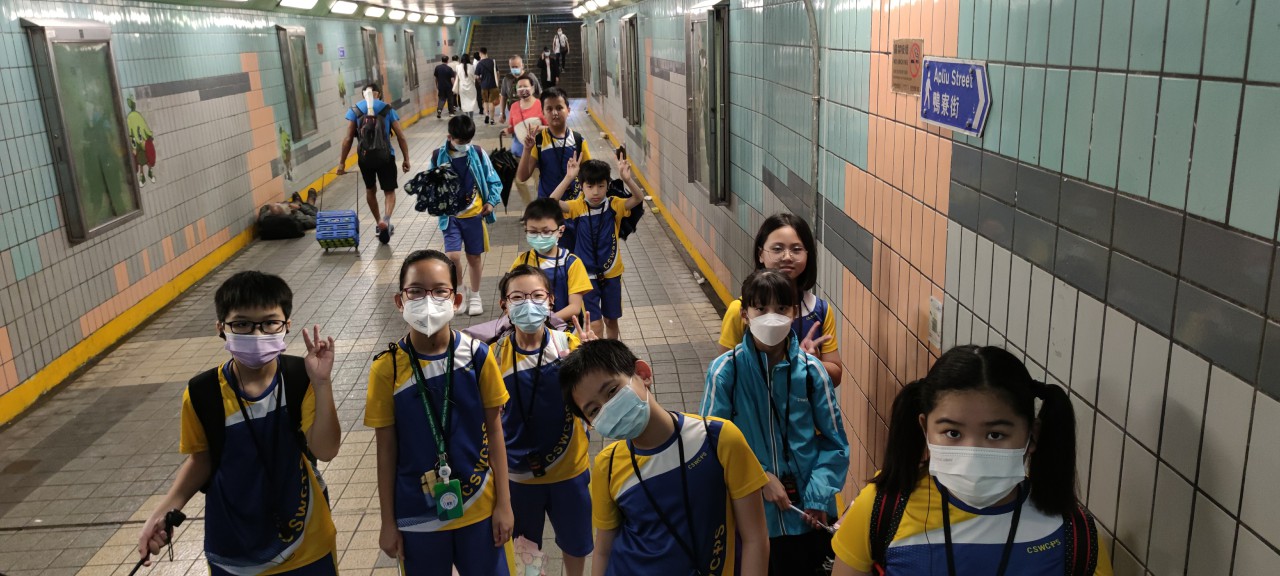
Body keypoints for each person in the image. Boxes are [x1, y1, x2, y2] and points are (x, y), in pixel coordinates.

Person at [830, 346, 1113, 576]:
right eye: (953, 433)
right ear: (925, 428)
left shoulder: (1073, 533)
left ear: (1032, 435)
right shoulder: (882, 508)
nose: (972, 453)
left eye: (995, 434)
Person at [135, 271, 341, 574]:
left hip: (307, 545)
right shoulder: (203, 393)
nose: (257, 335)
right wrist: (165, 510)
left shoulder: (301, 378)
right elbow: (201, 460)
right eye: (242, 324)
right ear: (221, 328)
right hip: (234, 554)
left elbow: (326, 450)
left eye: (269, 323)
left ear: (286, 325)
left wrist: (322, 384)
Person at [559, 339, 771, 576]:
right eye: (594, 410)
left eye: (612, 391)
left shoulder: (717, 439)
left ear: (642, 374)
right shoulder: (606, 465)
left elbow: (755, 538)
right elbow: (603, 551)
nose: (607, 407)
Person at [365, 250, 515, 575]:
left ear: (456, 300)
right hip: (417, 515)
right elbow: (386, 450)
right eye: (416, 291)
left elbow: (495, 432)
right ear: (400, 301)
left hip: (479, 507)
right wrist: (388, 522)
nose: (428, 300)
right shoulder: (386, 369)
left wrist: (504, 504)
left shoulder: (478, 356)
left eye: (439, 291)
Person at [702, 269, 849, 575]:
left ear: (794, 312)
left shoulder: (812, 372)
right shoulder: (724, 372)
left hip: (808, 516)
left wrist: (819, 496)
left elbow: (835, 443)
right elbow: (711, 444)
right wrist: (759, 477)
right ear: (745, 314)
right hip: (750, 521)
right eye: (761, 308)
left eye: (781, 308)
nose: (771, 317)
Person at [492, 266, 596, 576]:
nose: (528, 304)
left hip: (570, 471)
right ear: (504, 305)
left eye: (537, 296)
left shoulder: (570, 346)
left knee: (575, 543)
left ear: (550, 300)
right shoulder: (493, 356)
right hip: (519, 477)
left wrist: (594, 359)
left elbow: (597, 402)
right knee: (525, 551)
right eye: (518, 297)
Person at [718, 214, 844, 386]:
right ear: (761, 254)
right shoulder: (740, 310)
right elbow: (724, 375)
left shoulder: (819, 310)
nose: (787, 257)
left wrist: (811, 363)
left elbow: (835, 377)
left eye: (796, 249)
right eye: (777, 249)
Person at [548, 153, 642, 340]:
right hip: (585, 276)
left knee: (611, 321)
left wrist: (627, 179)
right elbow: (551, 202)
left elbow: (638, 198)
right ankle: (598, 355)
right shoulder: (578, 207)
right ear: (582, 187)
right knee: (595, 323)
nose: (596, 192)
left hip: (612, 273)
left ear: (608, 185)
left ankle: (612, 353)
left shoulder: (614, 205)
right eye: (590, 186)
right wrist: (569, 177)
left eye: (601, 186)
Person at [431, 115, 502, 316]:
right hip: (450, 217)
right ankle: (460, 291)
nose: (464, 144)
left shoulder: (477, 153)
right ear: (449, 137)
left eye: (468, 140)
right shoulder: (438, 156)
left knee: (474, 257)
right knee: (452, 256)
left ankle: (476, 295)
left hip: (474, 215)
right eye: (460, 141)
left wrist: (491, 202)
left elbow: (494, 180)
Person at [337, 83, 411, 245]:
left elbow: (348, 139)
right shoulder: (387, 109)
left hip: (365, 159)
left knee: (370, 189)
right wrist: (406, 158)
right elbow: (401, 136)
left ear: (363, 94)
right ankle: (387, 218)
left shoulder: (355, 110)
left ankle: (378, 222)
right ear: (379, 94)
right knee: (389, 191)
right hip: (386, 156)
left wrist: (342, 163)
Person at [511, 198, 593, 325]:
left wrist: (543, 322)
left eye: (546, 231)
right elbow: (512, 298)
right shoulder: (522, 261)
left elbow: (575, 307)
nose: (539, 236)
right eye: (533, 232)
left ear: (561, 231)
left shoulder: (572, 263)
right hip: (530, 329)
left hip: (566, 331)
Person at [516, 86, 590, 199]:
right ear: (543, 113)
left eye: (559, 108)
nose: (555, 113)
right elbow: (522, 177)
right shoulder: (539, 141)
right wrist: (526, 149)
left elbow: (590, 175)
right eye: (549, 109)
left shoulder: (578, 140)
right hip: (547, 204)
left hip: (574, 205)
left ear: (568, 110)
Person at [498, 55, 541, 125]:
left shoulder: (530, 76)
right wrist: (502, 113)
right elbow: (503, 96)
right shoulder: (507, 79)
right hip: (514, 112)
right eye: (512, 67)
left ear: (522, 66)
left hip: (530, 112)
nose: (514, 69)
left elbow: (539, 93)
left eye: (516, 67)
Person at [475, 47, 501, 125]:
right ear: (486, 52)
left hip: (484, 85)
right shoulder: (493, 61)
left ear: (480, 53)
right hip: (493, 85)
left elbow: (477, 76)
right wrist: (497, 82)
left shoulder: (479, 63)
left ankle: (486, 115)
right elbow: (497, 73)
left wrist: (481, 82)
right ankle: (492, 120)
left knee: (485, 101)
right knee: (492, 102)